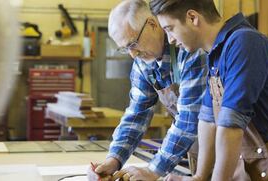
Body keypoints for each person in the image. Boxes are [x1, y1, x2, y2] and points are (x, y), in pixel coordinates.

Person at [150, 0, 268, 180]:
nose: (171, 40)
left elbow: (230, 125)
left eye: (170, 29)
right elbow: (207, 121)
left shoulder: (245, 42)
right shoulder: (216, 54)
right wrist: (198, 177)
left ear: (193, 17)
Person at [87, 0, 207, 180]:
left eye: (133, 43)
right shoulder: (143, 64)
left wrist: (152, 171)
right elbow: (136, 114)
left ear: (152, 24)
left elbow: (188, 120)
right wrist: (114, 159)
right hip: (197, 153)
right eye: (124, 49)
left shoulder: (189, 49)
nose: (132, 54)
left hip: (229, 150)